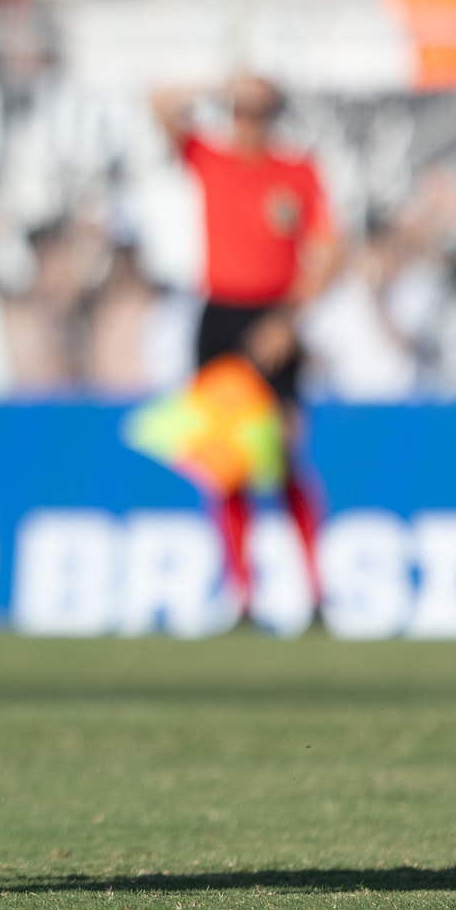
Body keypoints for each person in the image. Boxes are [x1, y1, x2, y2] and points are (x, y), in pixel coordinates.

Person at [152, 75, 340, 613]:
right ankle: (242, 592)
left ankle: (315, 591)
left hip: (272, 316)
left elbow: (328, 252)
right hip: (221, 319)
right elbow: (159, 100)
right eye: (238, 110)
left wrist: (289, 317)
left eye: (256, 111)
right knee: (225, 461)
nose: (246, 122)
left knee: (282, 455)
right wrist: (216, 83)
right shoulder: (210, 158)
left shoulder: (296, 171)